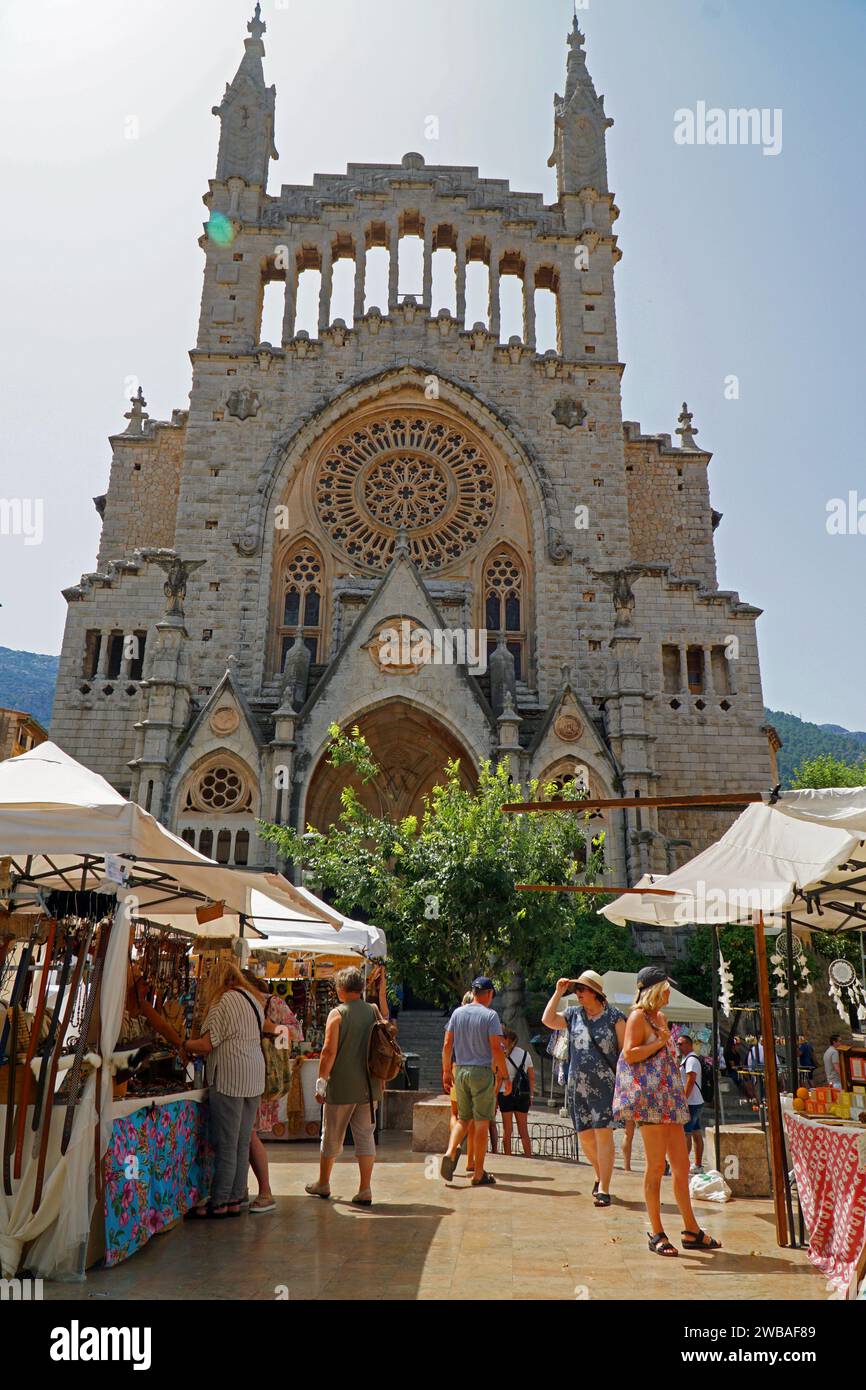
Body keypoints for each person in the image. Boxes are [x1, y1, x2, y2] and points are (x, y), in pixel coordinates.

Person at [613, 966, 721, 1257]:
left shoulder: (659, 1017)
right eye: (665, 988)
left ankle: (691, 1229)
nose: (669, 993)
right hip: (651, 1104)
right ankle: (656, 1231)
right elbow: (629, 1054)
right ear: (654, 990)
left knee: (682, 1167)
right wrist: (661, 1041)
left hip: (670, 1101)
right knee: (656, 1167)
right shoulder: (637, 1017)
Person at [184, 963, 270, 1219]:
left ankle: (220, 1200)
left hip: (230, 1077)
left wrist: (183, 1043)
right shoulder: (253, 1000)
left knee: (227, 1144)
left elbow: (207, 1045)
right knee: (241, 1142)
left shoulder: (222, 1002)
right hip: (254, 1075)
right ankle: (234, 1198)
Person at [542, 970, 625, 1207]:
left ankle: (604, 1189)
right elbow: (547, 1020)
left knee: (603, 1134)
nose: (578, 993)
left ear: (596, 993)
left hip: (605, 1086)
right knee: (585, 1137)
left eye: (582, 989)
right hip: (577, 1086)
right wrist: (558, 992)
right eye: (576, 989)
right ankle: (600, 1176)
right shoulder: (573, 1014)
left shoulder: (614, 1016)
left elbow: (624, 1051)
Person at [305, 966, 383, 1207]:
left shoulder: (337, 1014)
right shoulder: (373, 1010)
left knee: (331, 1136)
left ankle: (324, 1182)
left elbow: (328, 1052)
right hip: (370, 1087)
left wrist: (321, 1084)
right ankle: (365, 1188)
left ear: (341, 988)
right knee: (365, 1136)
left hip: (342, 1087)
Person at [242, 970, 303, 1214]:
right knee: (246, 1135)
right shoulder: (242, 1004)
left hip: (264, 1077)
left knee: (249, 1134)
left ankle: (265, 1191)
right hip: (245, 1075)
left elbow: (295, 1034)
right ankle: (245, 1188)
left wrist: (270, 1028)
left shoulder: (272, 1003)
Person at [441, 977, 509, 1187]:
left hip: (460, 1070)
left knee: (463, 1119)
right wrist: (505, 1076)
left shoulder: (457, 1013)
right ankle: (478, 1174)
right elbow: (496, 1048)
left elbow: (446, 1044)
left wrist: (446, 1071)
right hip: (482, 1072)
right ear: (489, 994)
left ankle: (451, 1151)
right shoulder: (491, 1016)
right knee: (481, 1124)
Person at [498, 1028, 534, 1157]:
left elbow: (498, 1076)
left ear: (507, 1039)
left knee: (507, 1130)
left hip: (504, 1093)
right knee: (523, 1130)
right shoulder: (526, 1054)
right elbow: (531, 1077)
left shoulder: (501, 1055)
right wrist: (531, 1094)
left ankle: (508, 1157)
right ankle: (529, 1157)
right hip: (522, 1094)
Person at [677, 1034, 705, 1174]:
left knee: (686, 1133)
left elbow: (690, 1081)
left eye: (681, 1044)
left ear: (688, 1044)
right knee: (696, 1132)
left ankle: (683, 1164)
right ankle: (697, 1164)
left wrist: (684, 1100)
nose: (678, 1046)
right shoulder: (687, 1059)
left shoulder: (691, 1060)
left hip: (691, 1102)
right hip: (696, 1101)